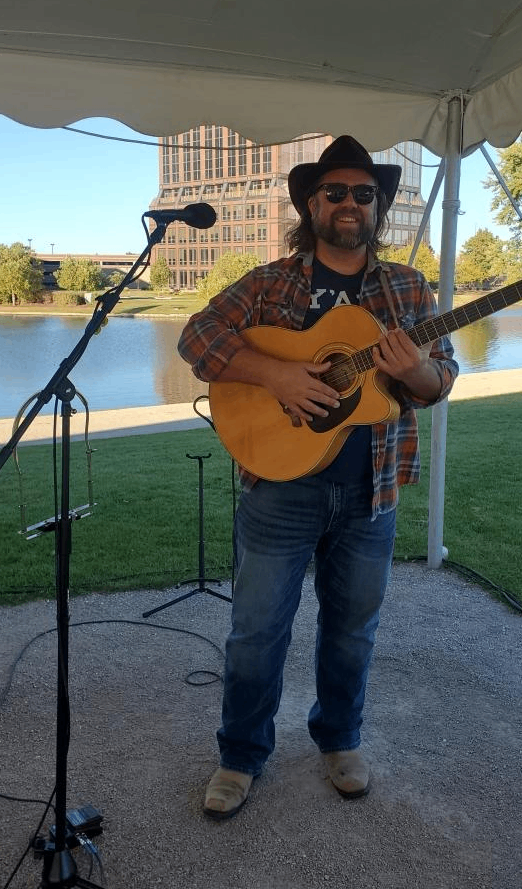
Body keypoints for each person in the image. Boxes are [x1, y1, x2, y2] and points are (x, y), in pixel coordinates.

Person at [178, 135, 458, 819]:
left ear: (379, 206)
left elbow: (441, 377)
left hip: (372, 489)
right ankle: (240, 753)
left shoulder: (408, 288)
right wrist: (274, 372)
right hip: (280, 486)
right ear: (312, 201)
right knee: (255, 629)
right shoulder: (272, 281)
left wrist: (411, 370)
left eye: (365, 193)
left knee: (353, 628)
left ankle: (340, 740)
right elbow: (197, 337)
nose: (350, 203)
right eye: (335, 191)